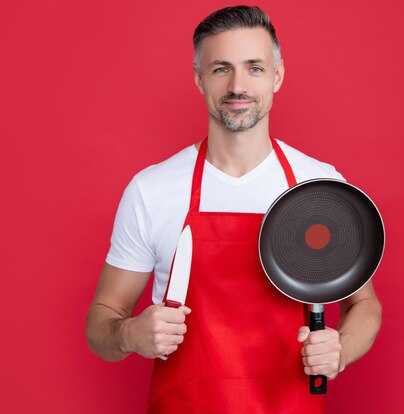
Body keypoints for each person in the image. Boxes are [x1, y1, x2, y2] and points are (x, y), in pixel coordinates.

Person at [86, 5, 382, 413]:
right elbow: (102, 319)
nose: (238, 85)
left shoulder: (319, 186)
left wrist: (341, 349)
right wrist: (129, 334)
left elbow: (364, 304)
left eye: (255, 68)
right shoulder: (151, 190)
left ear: (277, 76)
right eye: (221, 68)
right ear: (199, 79)